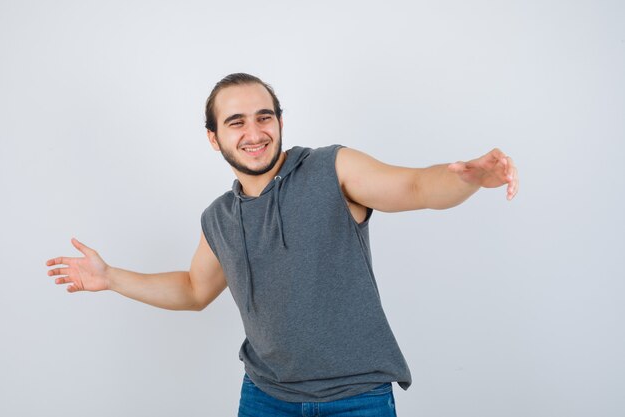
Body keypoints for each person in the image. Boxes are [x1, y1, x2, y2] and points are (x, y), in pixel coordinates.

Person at [46, 73, 519, 417]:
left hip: (355, 399)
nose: (254, 133)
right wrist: (110, 279)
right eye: (236, 122)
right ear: (214, 139)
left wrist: (470, 178)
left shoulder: (331, 169)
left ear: (279, 122)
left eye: (263, 116)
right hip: (265, 398)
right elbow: (194, 290)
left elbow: (416, 188)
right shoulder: (220, 217)